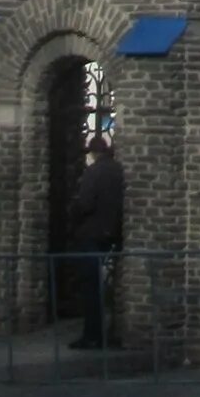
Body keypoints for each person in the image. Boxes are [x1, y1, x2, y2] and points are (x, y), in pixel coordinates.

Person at [67, 133, 124, 350]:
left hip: (91, 235)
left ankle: (92, 335)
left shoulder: (93, 172)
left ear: (92, 152)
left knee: (90, 287)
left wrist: (74, 216)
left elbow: (86, 203)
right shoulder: (118, 170)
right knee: (106, 284)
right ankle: (111, 329)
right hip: (111, 233)